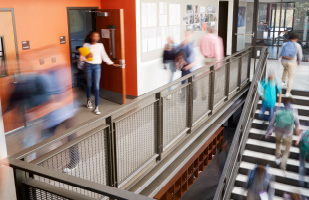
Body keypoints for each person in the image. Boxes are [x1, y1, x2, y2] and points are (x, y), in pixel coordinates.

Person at [80, 31, 119, 115]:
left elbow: (104, 56)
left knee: (97, 86)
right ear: (90, 36)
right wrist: (87, 56)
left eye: (97, 36)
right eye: (94, 36)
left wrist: (112, 63)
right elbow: (81, 58)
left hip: (97, 66)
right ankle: (88, 100)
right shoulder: (86, 45)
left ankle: (97, 107)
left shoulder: (100, 45)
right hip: (88, 66)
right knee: (89, 84)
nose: (96, 38)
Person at [265, 97, 300, 171]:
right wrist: (299, 136)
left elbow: (272, 122)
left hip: (278, 131)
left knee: (278, 142)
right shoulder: (294, 111)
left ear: (283, 102)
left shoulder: (278, 110)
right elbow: (297, 124)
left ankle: (277, 156)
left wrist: (268, 132)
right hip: (288, 134)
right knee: (286, 151)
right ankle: (283, 165)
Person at [295, 122, 309, 188]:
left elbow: (297, 142)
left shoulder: (304, 131)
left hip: (303, 152)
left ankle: (301, 183)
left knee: (302, 167)